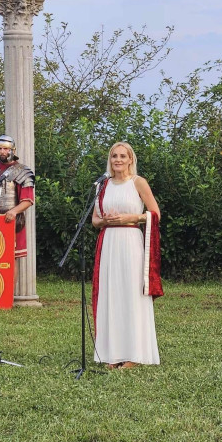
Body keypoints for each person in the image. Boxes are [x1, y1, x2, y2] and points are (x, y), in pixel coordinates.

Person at [91, 141, 163, 369]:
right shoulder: (102, 186)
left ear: (131, 159)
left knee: (131, 294)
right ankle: (113, 354)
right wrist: (106, 220)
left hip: (130, 242)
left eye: (123, 156)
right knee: (111, 295)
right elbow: (94, 220)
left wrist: (129, 218)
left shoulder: (138, 183)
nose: (118, 160)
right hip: (109, 242)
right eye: (114, 156)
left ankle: (134, 354)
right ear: (110, 160)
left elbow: (155, 213)